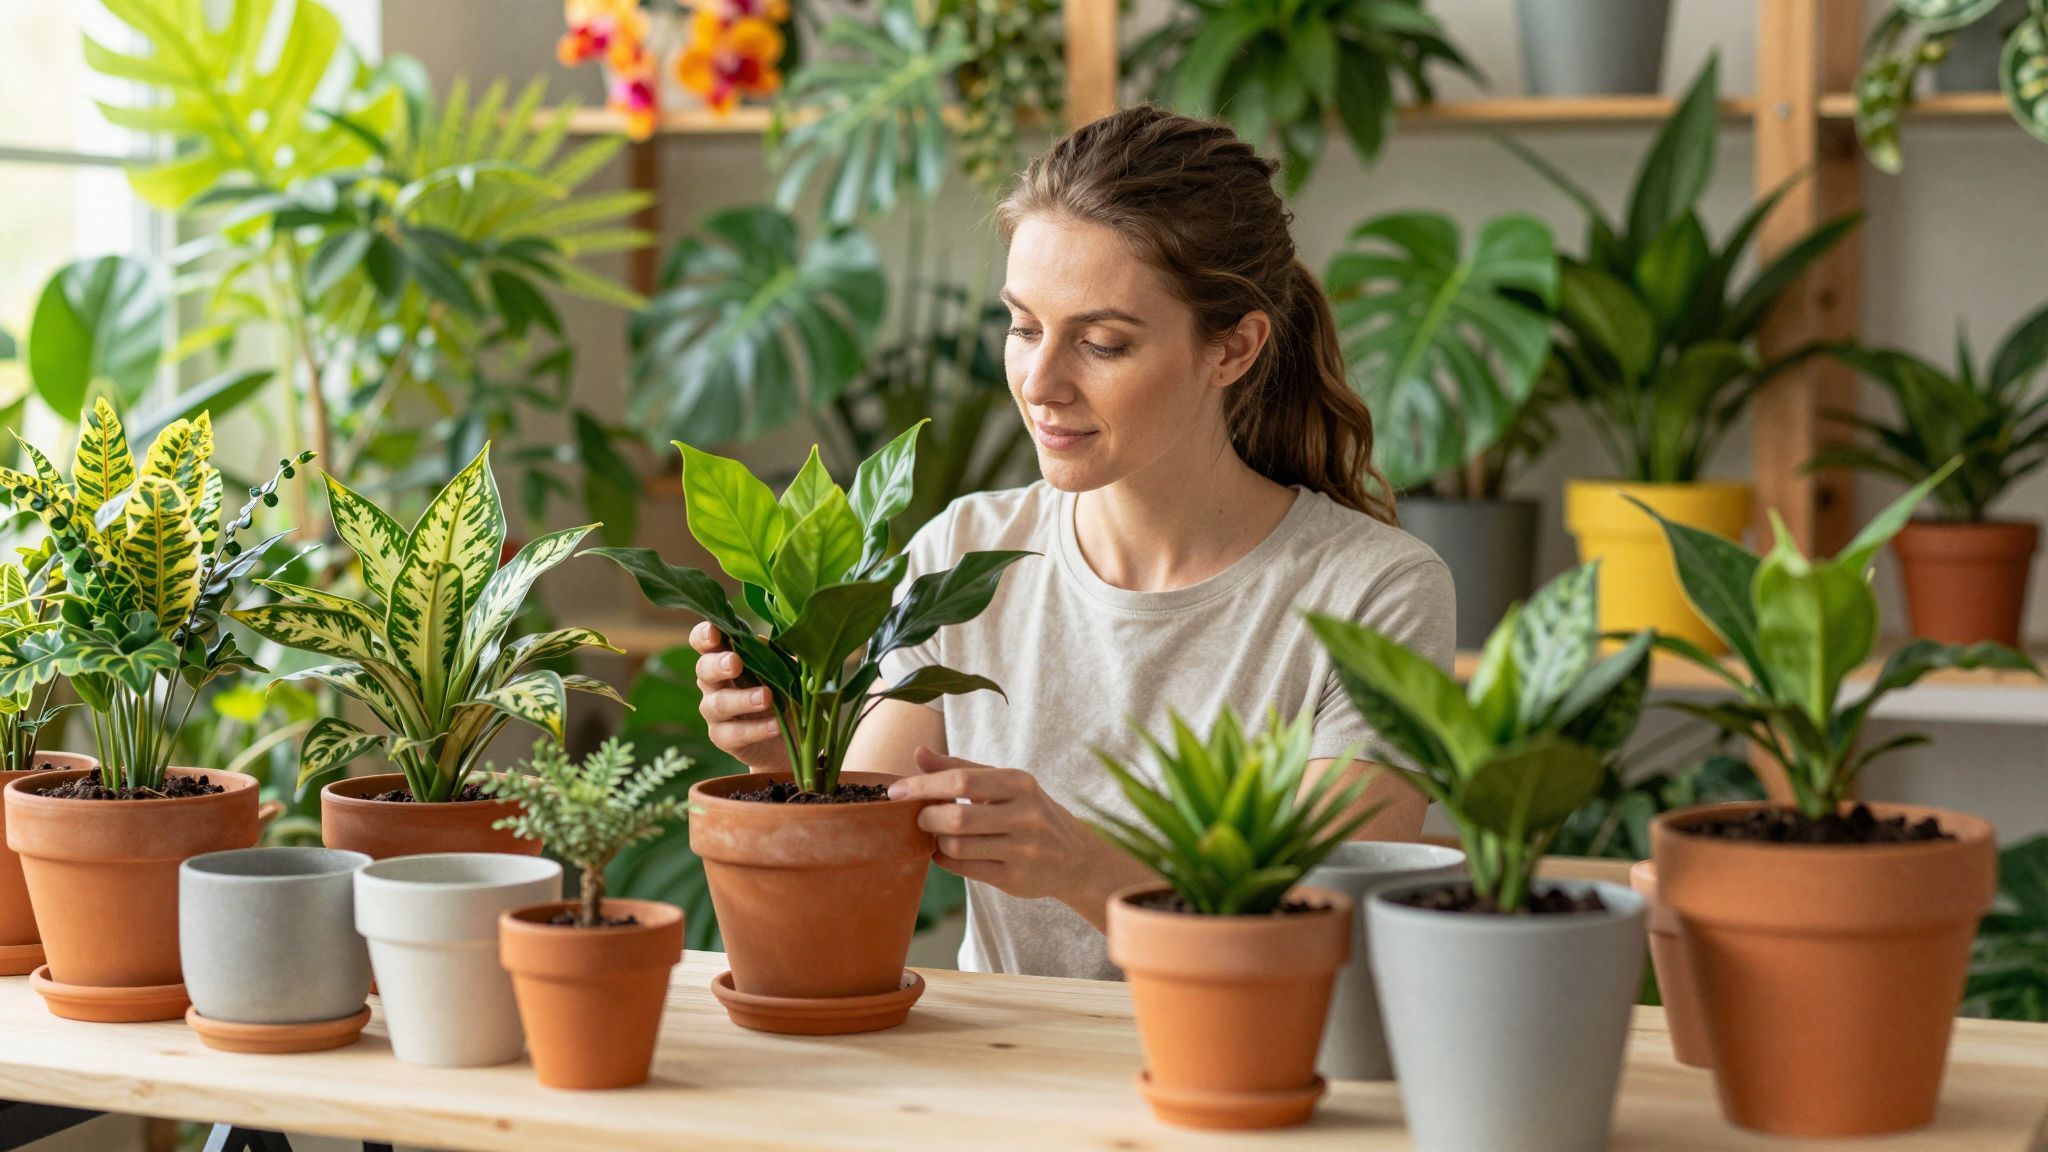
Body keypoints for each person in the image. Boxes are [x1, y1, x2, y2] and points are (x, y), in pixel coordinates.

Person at [689, 103, 1454, 980]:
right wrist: (783, 751)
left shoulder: (1374, 591)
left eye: (1101, 342)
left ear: (1234, 348)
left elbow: (1316, 929)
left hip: (1247, 1068)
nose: (1040, 383)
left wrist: (1082, 864)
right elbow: (875, 826)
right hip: (1007, 1071)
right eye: (1023, 327)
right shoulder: (968, 550)